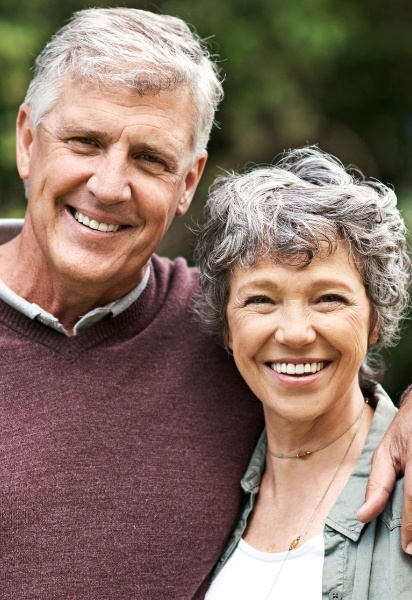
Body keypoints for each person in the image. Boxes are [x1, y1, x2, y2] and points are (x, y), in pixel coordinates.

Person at [0, 6, 411, 599]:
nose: (110, 186)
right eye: (85, 142)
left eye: (150, 159)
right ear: (27, 141)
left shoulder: (221, 327)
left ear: (187, 182)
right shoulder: (236, 323)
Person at [194, 147, 412, 598]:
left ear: (375, 320)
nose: (294, 333)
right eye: (260, 300)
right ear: (227, 327)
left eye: (328, 298)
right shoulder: (205, 489)